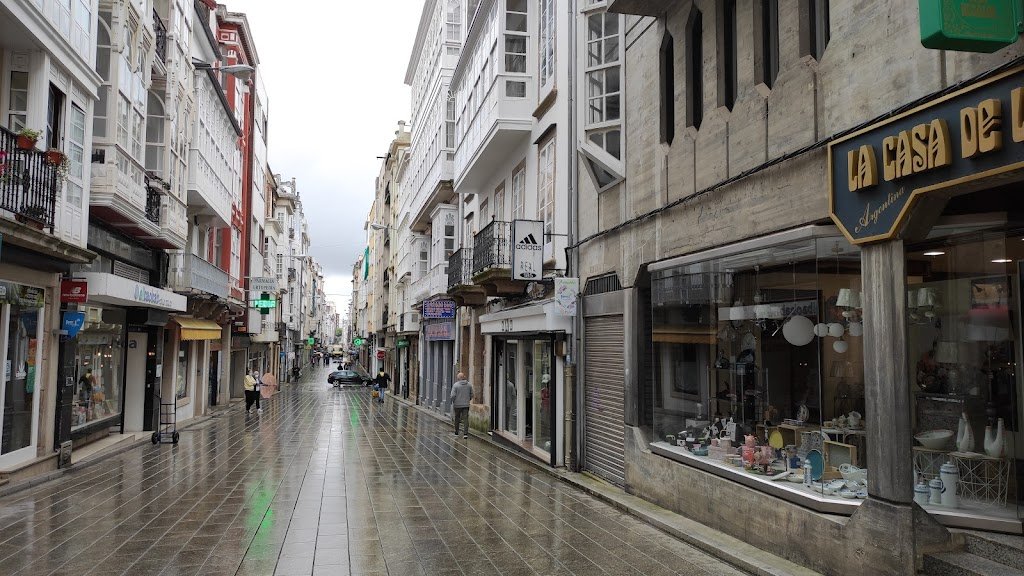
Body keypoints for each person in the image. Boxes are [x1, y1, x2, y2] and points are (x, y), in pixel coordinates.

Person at [450, 372, 472, 438]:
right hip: (466, 405)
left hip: (457, 405)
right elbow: (472, 394)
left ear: (458, 378)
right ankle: (465, 434)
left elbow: (452, 395)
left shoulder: (455, 385)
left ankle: (456, 432)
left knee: (457, 418)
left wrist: (454, 401)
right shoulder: (469, 385)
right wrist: (468, 400)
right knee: (466, 419)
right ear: (464, 377)